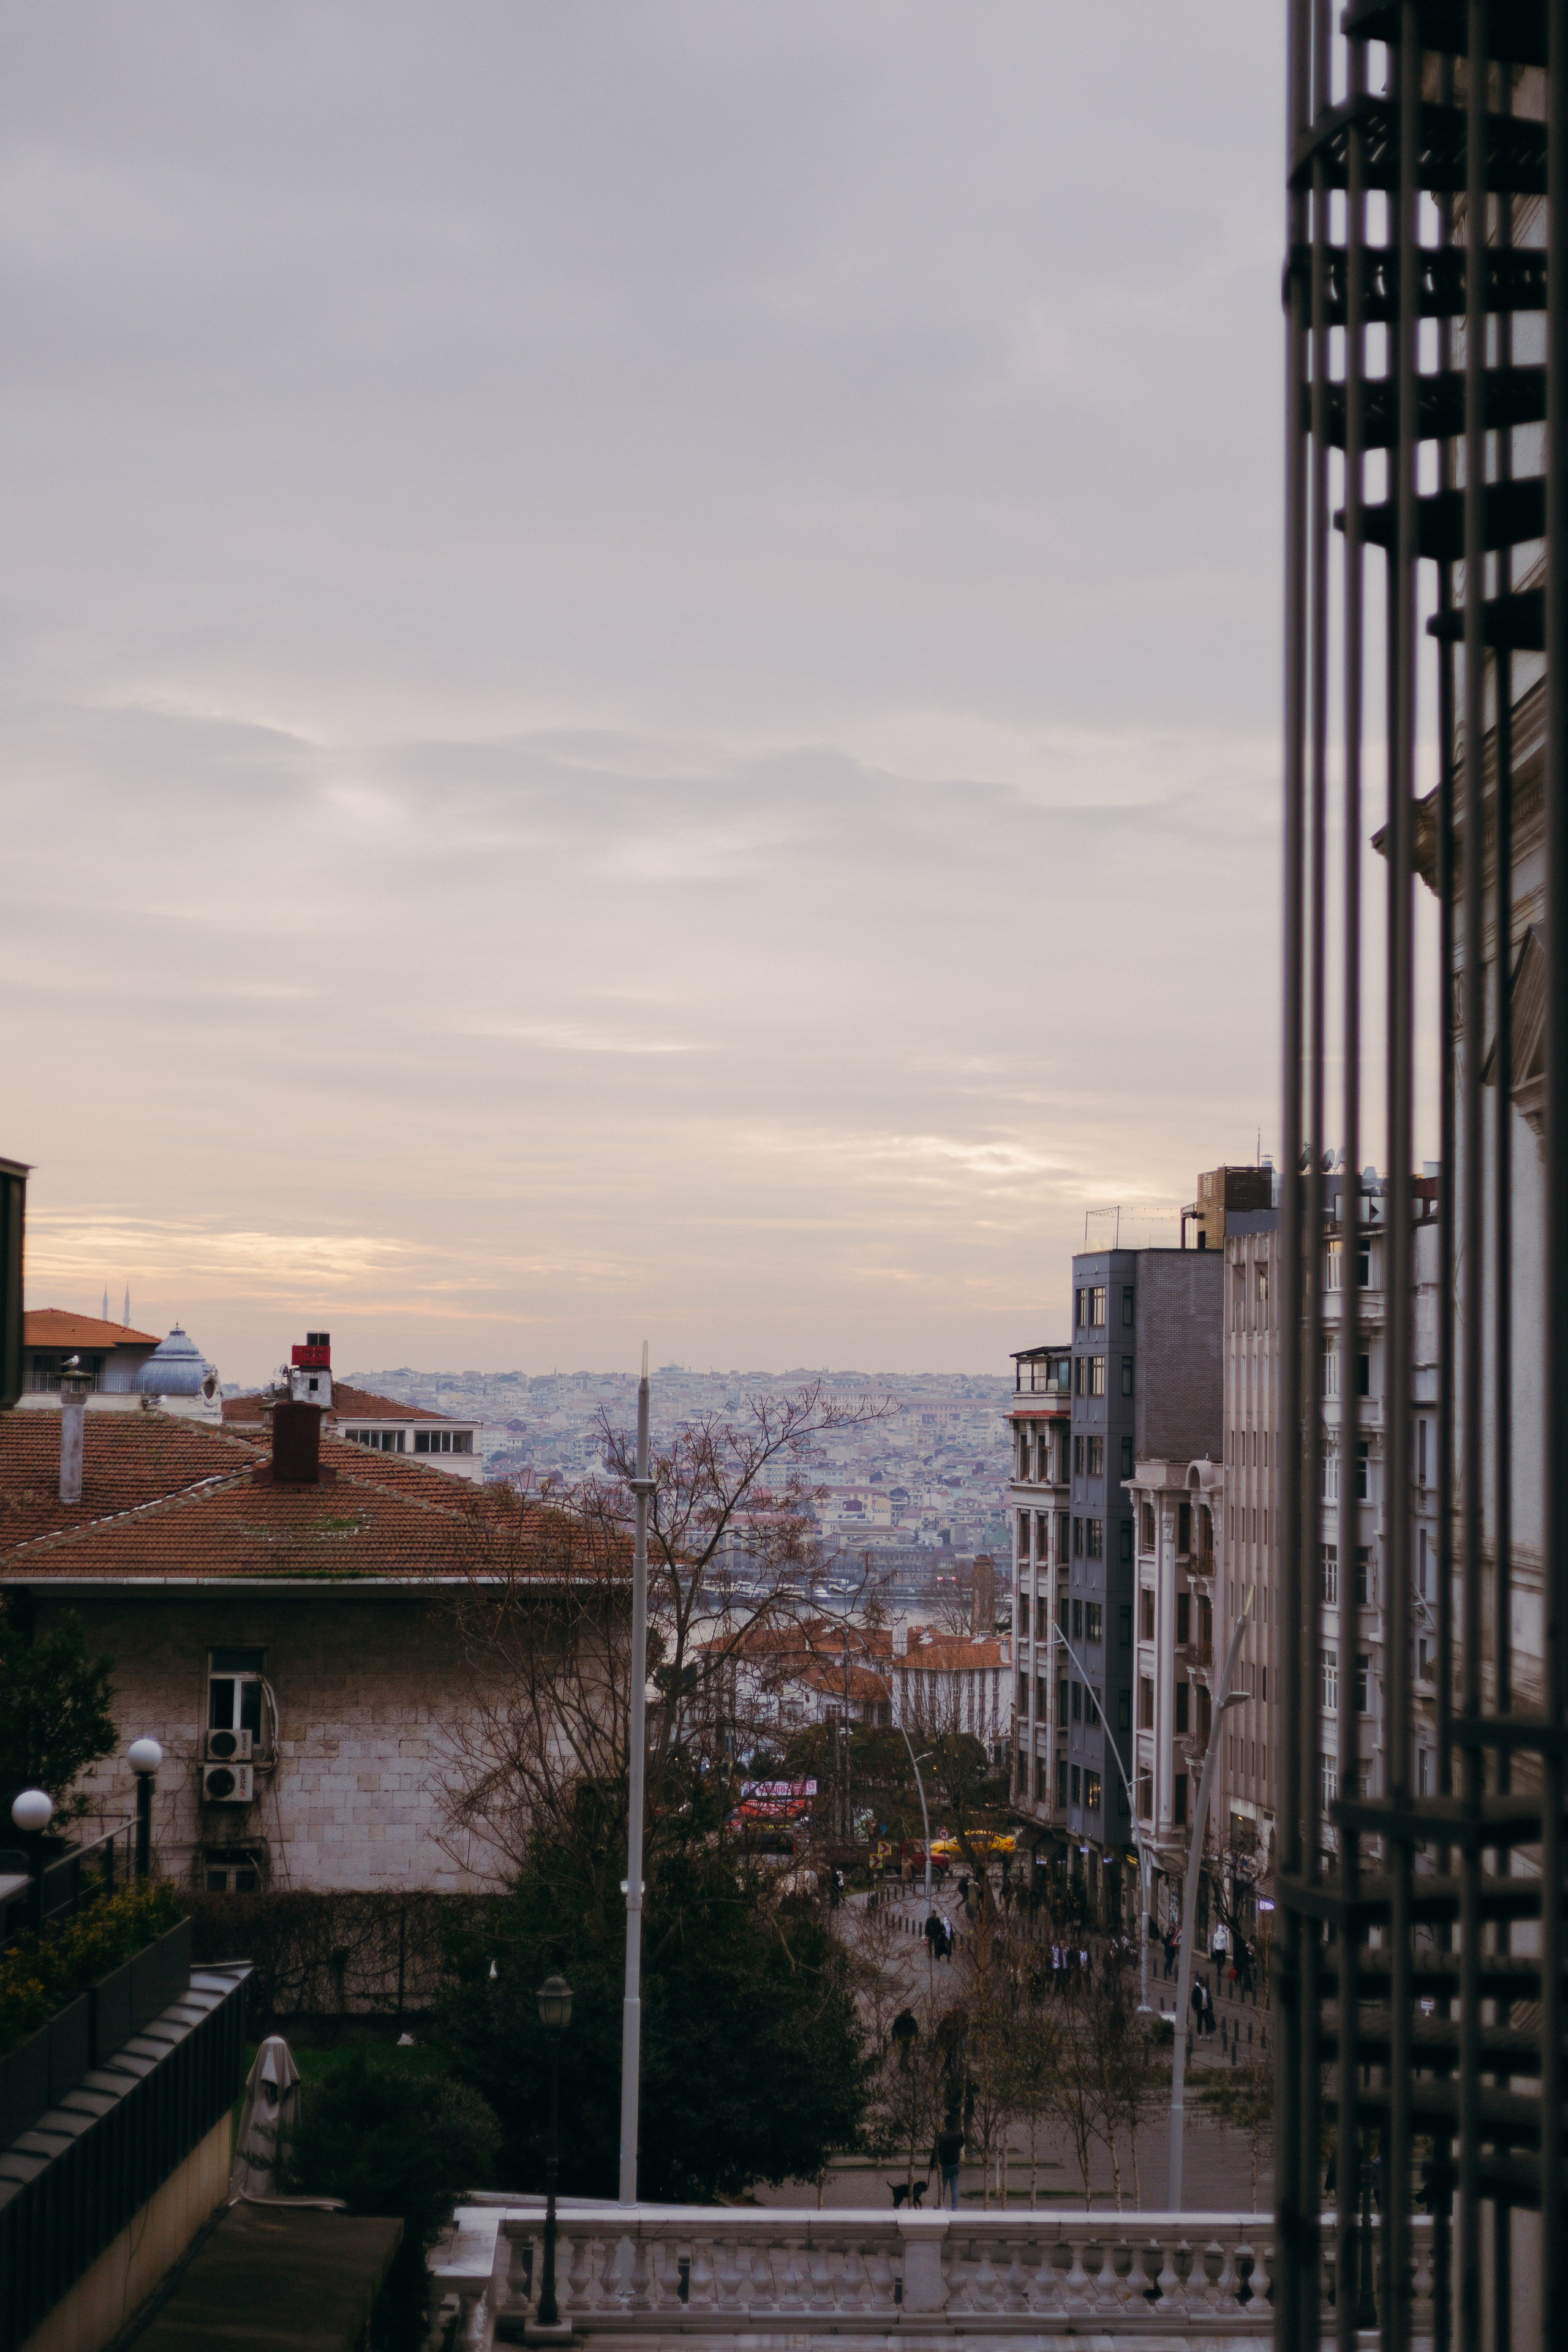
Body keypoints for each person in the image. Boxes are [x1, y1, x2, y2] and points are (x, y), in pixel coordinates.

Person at [930, 2123, 965, 2211]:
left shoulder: (942, 2136)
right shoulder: (960, 2135)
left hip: (945, 2165)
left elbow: (936, 2150)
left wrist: (932, 2165)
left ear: (946, 2124)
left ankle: (941, 2205)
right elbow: (961, 2145)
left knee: (943, 2186)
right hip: (955, 2164)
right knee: (954, 2187)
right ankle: (955, 2208)